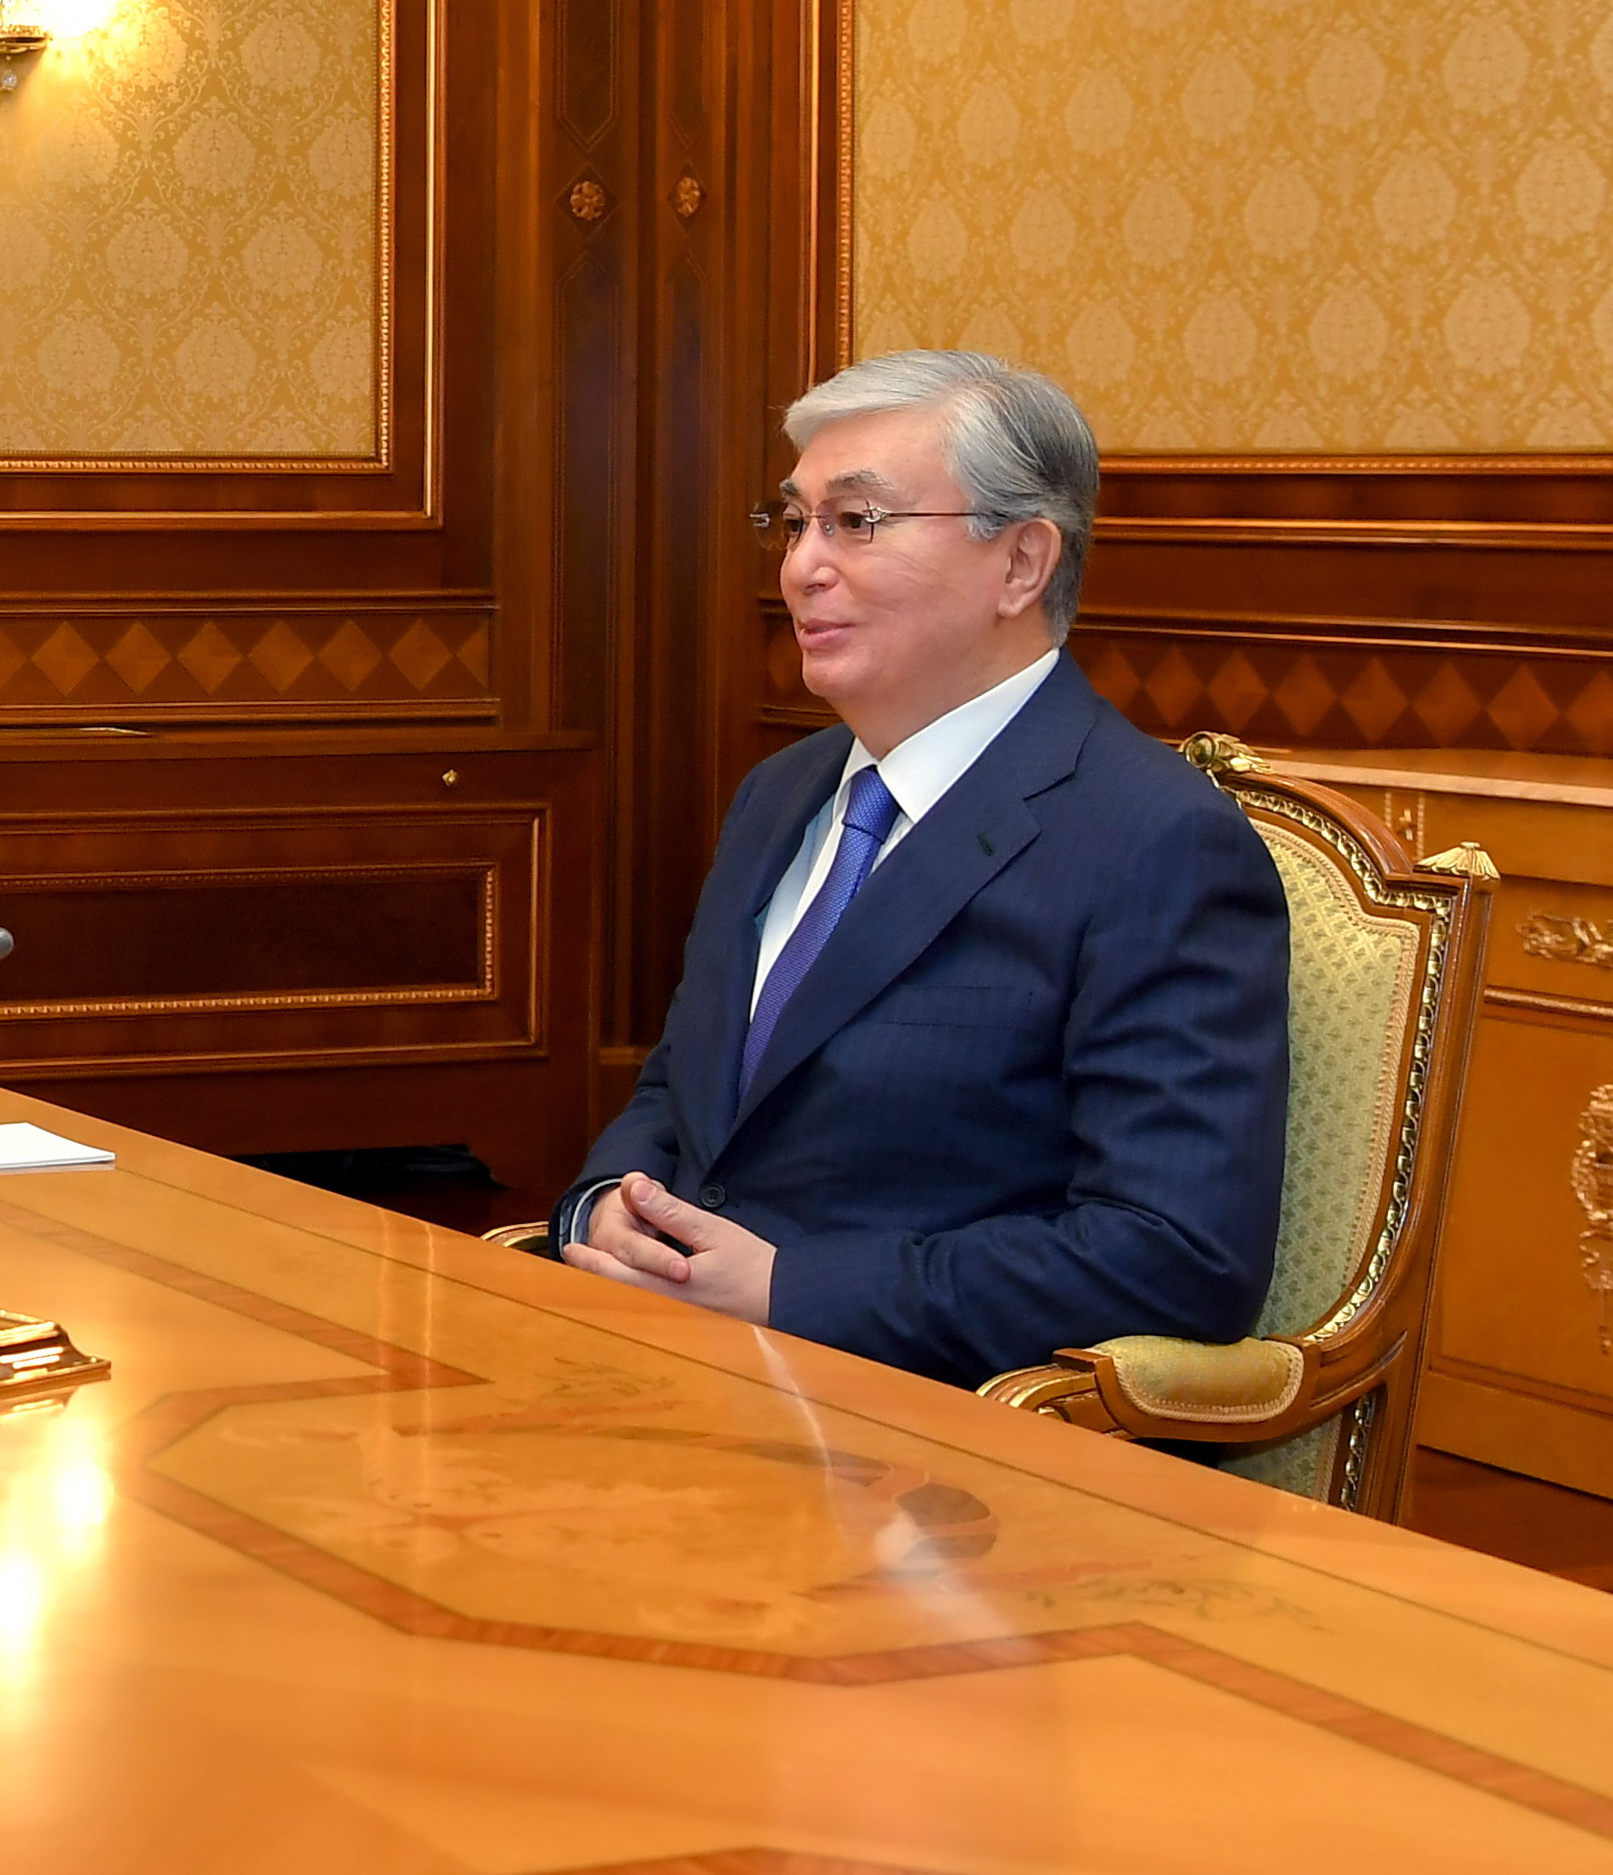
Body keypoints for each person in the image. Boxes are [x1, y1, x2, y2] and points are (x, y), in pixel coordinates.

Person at [551, 350, 1289, 1388]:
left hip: (932, 1433)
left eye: (855, 521)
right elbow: (685, 1089)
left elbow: (1177, 1254)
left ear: (1021, 564)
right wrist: (605, 1208)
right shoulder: (780, 795)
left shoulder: (1156, 841)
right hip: (669, 1378)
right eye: (794, 521)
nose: (802, 566)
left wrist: (795, 1289)